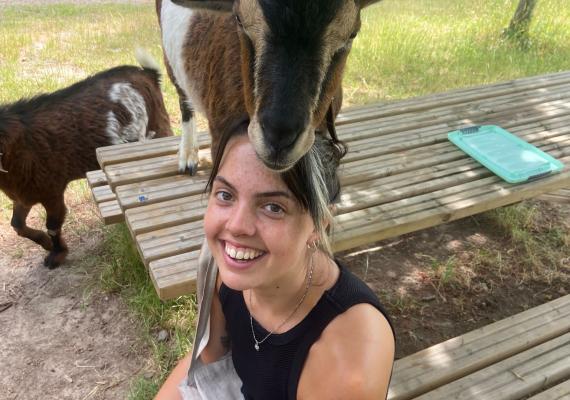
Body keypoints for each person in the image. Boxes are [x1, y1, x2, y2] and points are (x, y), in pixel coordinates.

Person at [155, 130, 395, 400]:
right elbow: (211, 364)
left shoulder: (345, 365)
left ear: (319, 225)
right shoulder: (224, 267)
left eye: (273, 207)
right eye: (225, 195)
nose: (236, 226)